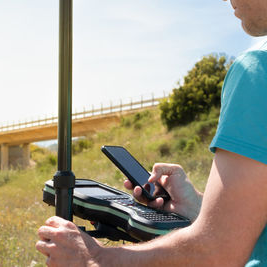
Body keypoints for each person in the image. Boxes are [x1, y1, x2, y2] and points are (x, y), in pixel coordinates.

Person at [36, 0, 267, 266]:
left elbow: (215, 252)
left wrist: (95, 257)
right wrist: (197, 207)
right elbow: (236, 232)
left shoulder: (258, 67)